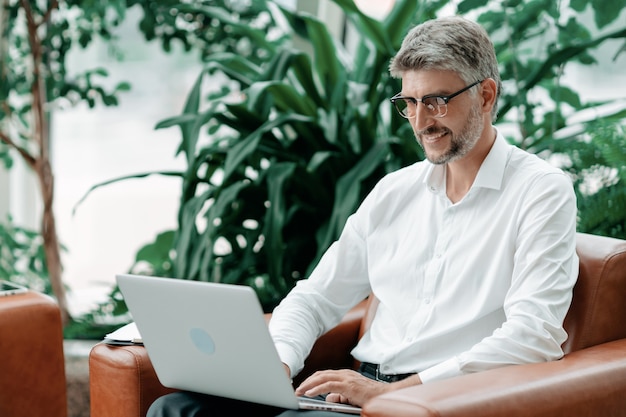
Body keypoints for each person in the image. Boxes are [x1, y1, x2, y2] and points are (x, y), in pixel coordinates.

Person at [148, 15, 578, 416]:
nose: (421, 121)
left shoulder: (540, 191)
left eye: (437, 101)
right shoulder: (395, 191)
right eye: (409, 102)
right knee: (175, 409)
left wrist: (400, 392)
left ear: (486, 95)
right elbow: (316, 297)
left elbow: (534, 334)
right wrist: (277, 363)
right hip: (353, 396)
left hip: (434, 403)